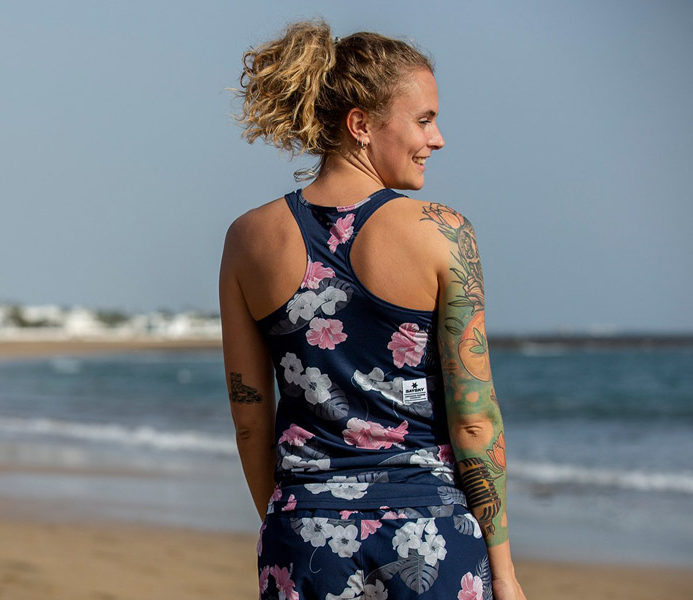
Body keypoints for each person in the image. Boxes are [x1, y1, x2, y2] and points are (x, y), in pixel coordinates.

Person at [218, 20, 527, 600]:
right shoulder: (443, 234)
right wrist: (504, 573)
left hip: (302, 530)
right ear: (360, 125)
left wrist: (288, 522)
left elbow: (250, 421)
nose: (438, 139)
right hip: (429, 529)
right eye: (424, 120)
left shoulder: (247, 239)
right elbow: (475, 420)